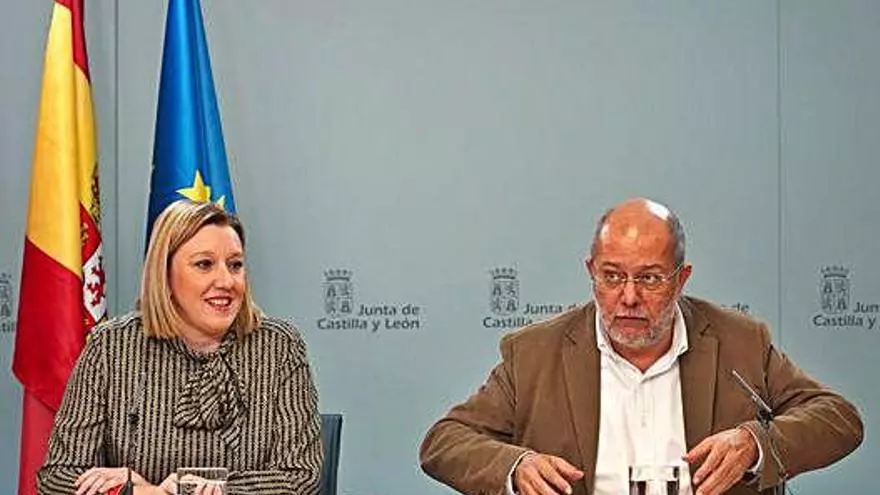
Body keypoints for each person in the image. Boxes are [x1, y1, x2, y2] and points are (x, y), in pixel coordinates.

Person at [420, 198, 863, 495]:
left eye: (649, 278)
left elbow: (838, 418)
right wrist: (515, 467)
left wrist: (754, 443)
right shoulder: (534, 353)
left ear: (681, 279)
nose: (628, 297)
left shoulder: (739, 342)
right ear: (591, 272)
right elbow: (444, 442)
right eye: (612, 276)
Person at [38, 200, 323, 495]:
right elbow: (57, 477)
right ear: (165, 275)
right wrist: (139, 492)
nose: (226, 281)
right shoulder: (111, 347)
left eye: (235, 265)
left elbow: (301, 477)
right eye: (204, 264)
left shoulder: (279, 347)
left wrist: (204, 491)